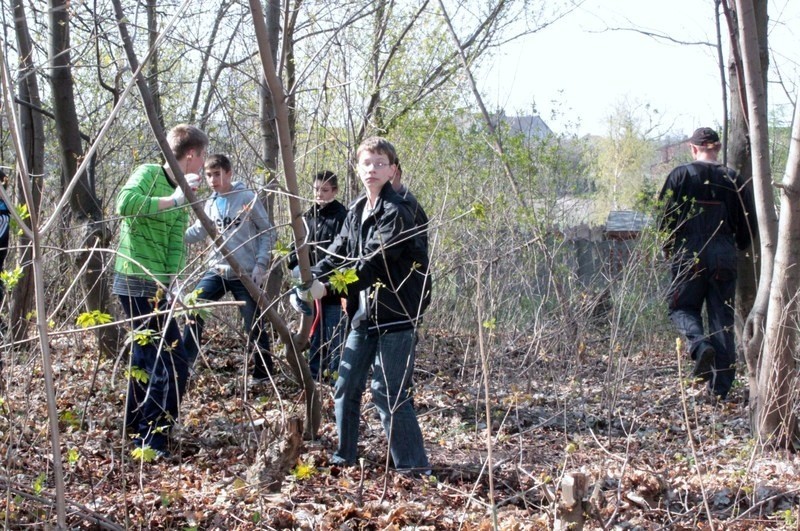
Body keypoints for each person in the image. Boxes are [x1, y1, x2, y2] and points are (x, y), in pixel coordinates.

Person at [302, 136, 432, 473]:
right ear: (357, 168)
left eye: (379, 163)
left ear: (392, 170)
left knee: (388, 392)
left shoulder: (400, 212)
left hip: (396, 314)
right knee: (345, 384)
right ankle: (345, 456)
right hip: (363, 314)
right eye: (366, 163)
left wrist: (326, 287)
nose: (371, 169)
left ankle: (414, 470)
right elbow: (337, 253)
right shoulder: (358, 209)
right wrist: (308, 280)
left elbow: (372, 265)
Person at [112, 124, 207, 457]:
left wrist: (172, 283)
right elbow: (124, 204)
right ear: (192, 154)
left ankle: (134, 427)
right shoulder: (149, 173)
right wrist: (173, 199)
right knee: (170, 365)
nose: (204, 163)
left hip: (158, 288)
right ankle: (151, 441)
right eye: (203, 155)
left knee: (144, 357)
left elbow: (174, 245)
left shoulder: (187, 190)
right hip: (133, 280)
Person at [659, 127, 755, 400]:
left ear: (692, 148)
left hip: (688, 253)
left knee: (681, 307)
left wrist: (668, 248)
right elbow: (748, 226)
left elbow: (664, 218)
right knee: (721, 320)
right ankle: (720, 390)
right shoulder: (733, 179)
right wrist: (738, 247)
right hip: (724, 255)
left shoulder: (679, 176)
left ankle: (700, 347)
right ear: (719, 148)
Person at [183, 154, 276, 383]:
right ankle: (184, 364)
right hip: (217, 270)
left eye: (217, 174)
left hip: (244, 272)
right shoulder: (211, 202)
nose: (213, 180)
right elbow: (198, 230)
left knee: (253, 322)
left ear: (229, 173)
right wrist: (174, 235)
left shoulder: (246, 197)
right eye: (209, 175)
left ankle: (264, 373)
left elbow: (267, 231)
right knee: (194, 308)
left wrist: (260, 265)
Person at [288, 171, 348, 381]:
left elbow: (344, 256)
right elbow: (293, 249)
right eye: (316, 189)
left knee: (335, 338)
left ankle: (335, 381)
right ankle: (313, 379)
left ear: (334, 191)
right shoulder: (306, 217)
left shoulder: (343, 217)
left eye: (324, 190)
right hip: (308, 289)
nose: (319, 194)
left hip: (333, 290)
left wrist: (323, 280)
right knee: (315, 338)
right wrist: (296, 274)